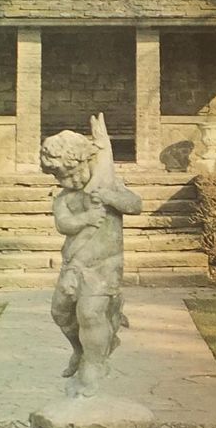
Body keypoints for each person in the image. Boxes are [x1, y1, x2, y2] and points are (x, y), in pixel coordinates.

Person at [39, 113, 142, 395]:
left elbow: (135, 205)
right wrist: (85, 218)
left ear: (86, 162)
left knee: (89, 314)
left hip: (105, 266)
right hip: (74, 265)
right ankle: (80, 349)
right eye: (60, 177)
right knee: (60, 313)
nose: (67, 181)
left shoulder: (107, 186)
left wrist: (110, 198)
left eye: (71, 174)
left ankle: (94, 368)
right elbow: (63, 224)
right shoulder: (64, 198)